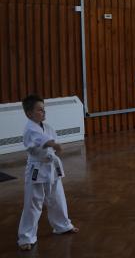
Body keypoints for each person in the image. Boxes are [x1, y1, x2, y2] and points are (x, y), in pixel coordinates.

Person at [17, 95, 79, 251]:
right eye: (39, 110)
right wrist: (53, 144)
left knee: (57, 198)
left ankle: (62, 225)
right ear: (29, 113)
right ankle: (26, 237)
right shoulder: (30, 128)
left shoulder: (47, 127)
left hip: (51, 167)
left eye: (44, 109)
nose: (43, 112)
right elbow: (41, 140)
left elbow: (48, 140)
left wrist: (54, 146)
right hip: (37, 170)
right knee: (33, 203)